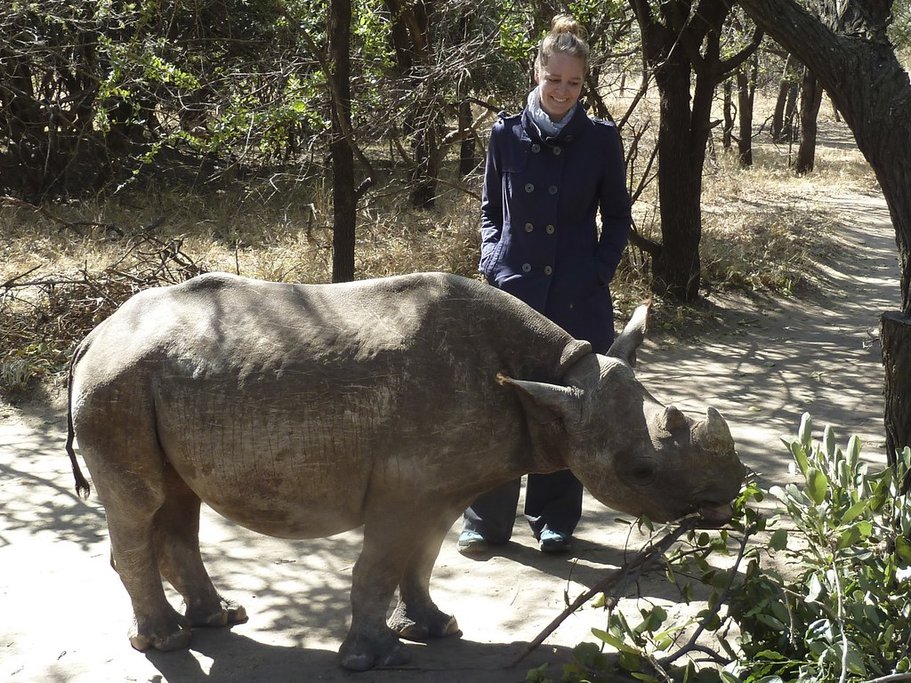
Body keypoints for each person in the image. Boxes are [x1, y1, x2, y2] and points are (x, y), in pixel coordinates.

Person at [458, 14, 632, 555]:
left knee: (570, 409)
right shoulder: (504, 134)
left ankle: (553, 518)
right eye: (553, 79)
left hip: (576, 299)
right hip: (512, 293)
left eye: (573, 83)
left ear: (585, 85)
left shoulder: (601, 140)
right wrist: (492, 261)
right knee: (500, 404)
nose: (561, 91)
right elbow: (491, 209)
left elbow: (617, 218)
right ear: (537, 74)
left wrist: (599, 271)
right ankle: (485, 520)